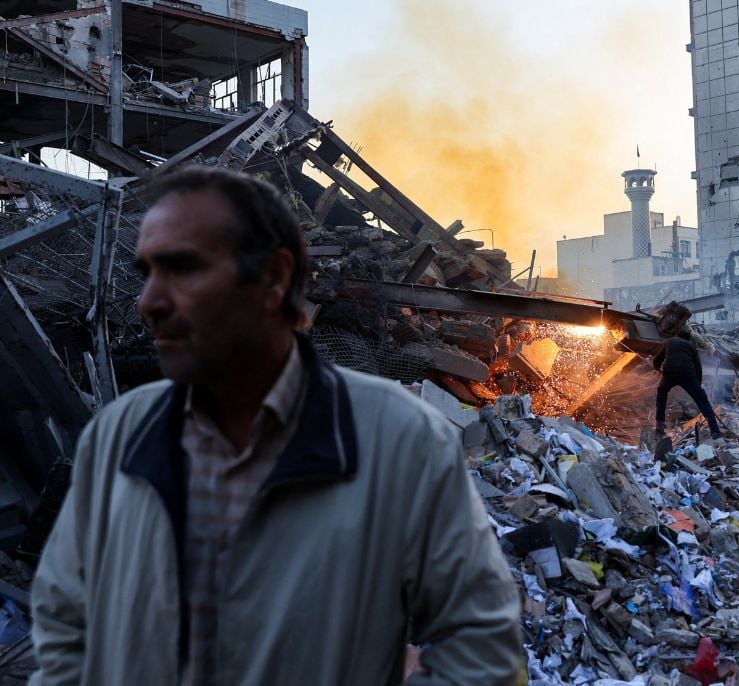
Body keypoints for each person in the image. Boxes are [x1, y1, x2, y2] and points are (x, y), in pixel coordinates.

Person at [28, 167, 522, 685]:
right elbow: (66, 628)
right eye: (148, 272)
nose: (147, 301)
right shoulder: (120, 433)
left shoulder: (400, 436)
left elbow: (485, 651)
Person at [654, 329, 723, 438]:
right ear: (688, 338)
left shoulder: (669, 342)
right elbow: (698, 368)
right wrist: (698, 385)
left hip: (669, 373)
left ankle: (659, 425)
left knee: (661, 393)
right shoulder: (691, 346)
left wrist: (659, 369)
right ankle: (715, 431)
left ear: (677, 335)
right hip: (687, 375)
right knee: (702, 400)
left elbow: (657, 360)